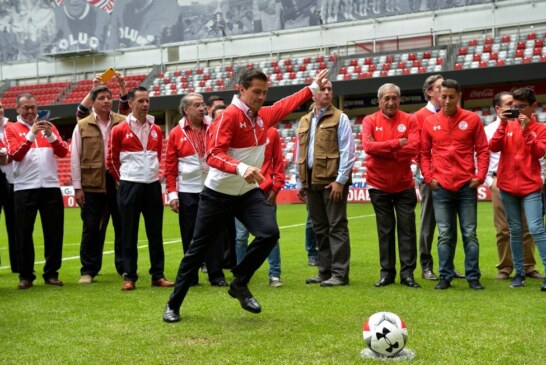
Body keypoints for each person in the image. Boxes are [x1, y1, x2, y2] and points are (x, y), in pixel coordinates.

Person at [162, 68, 329, 323]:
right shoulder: (228, 116)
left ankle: (239, 282)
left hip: (248, 193)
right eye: (256, 92)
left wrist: (312, 89)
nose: (261, 97)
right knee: (198, 249)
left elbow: (285, 105)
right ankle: (173, 305)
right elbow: (213, 154)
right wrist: (242, 168)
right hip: (218, 193)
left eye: (265, 93)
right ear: (241, 90)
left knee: (269, 233)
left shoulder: (262, 117)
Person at [420, 79, 489, 290]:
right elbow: (423, 153)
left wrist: (480, 176)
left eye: (451, 96)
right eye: (443, 96)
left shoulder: (473, 119)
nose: (447, 101)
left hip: (466, 186)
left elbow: (483, 150)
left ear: (459, 96)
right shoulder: (430, 122)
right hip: (441, 187)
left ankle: (473, 277)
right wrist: (428, 177)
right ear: (438, 96)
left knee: (469, 233)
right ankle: (445, 276)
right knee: (444, 234)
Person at [107, 86, 174, 291]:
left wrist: (157, 175)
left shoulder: (155, 129)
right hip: (129, 185)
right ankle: (130, 276)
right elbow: (111, 160)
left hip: (152, 186)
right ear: (131, 104)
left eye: (147, 101)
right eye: (141, 101)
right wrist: (123, 181)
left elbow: (158, 155)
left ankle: (158, 275)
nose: (145, 105)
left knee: (155, 232)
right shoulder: (119, 129)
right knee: (128, 233)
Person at [4, 93, 68, 289]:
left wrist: (49, 134)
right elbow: (15, 154)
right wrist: (31, 134)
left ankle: (51, 273)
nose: (31, 111)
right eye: (26, 108)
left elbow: (64, 151)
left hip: (50, 187)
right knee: (23, 233)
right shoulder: (11, 128)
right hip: (24, 187)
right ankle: (26, 276)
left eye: (33, 107)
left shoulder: (49, 127)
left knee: (54, 232)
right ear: (17, 109)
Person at [70, 75, 129, 284]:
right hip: (92, 182)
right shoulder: (82, 125)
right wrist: (77, 187)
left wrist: (122, 87)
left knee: (122, 226)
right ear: (93, 102)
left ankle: (125, 268)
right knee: (91, 227)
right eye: (101, 98)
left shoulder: (123, 122)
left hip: (117, 181)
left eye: (108, 97)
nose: (106, 101)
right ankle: (88, 270)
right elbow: (75, 157)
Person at [297, 79, 355, 287]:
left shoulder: (341, 118)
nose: (327, 92)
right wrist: (300, 181)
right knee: (319, 228)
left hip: (332, 181)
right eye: (323, 89)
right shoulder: (304, 120)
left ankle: (340, 273)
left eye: (330, 89)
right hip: (310, 181)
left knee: (337, 226)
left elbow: (348, 151)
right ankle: (324, 270)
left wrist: (340, 180)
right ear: (313, 93)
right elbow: (300, 152)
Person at [165, 93, 227, 287]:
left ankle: (216, 275)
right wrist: (172, 194)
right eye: (197, 105)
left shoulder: (214, 127)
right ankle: (191, 276)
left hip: (212, 187)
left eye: (202, 105)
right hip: (187, 191)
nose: (202, 108)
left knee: (214, 232)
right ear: (186, 110)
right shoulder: (176, 132)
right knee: (190, 234)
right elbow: (170, 167)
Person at [363, 83, 420, 288]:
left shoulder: (410, 119)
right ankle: (387, 273)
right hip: (378, 185)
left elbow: (413, 148)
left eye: (394, 98)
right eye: (386, 98)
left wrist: (384, 151)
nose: (390, 102)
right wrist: (397, 143)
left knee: (407, 230)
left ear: (399, 99)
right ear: (379, 101)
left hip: (404, 185)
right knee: (385, 231)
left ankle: (407, 274)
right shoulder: (369, 120)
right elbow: (368, 147)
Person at [489, 87, 546, 291]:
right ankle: (519, 273)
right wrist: (503, 124)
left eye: (523, 106)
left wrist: (526, 129)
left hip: (530, 187)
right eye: (515, 106)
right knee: (514, 230)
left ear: (533, 107)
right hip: (507, 187)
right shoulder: (507, 125)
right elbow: (493, 147)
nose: (518, 110)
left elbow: (539, 151)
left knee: (536, 228)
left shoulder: (540, 128)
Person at [414, 74, 463, 281]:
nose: (444, 90)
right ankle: (426, 265)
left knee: (449, 225)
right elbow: (418, 150)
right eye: (440, 87)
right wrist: (428, 175)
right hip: (431, 179)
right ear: (430, 92)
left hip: (452, 178)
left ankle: (448, 266)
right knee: (428, 223)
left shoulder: (453, 114)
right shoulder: (419, 116)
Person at [235, 126, 285, 288]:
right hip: (242, 190)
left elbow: (278, 160)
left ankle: (274, 274)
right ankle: (242, 276)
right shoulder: (239, 129)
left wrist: (276, 188)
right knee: (241, 237)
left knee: (271, 235)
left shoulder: (272, 132)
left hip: (265, 191)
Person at [0, 100, 17, 272]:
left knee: (15, 224)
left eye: (1, 108)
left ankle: (17, 264)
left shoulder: (11, 127)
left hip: (13, 181)